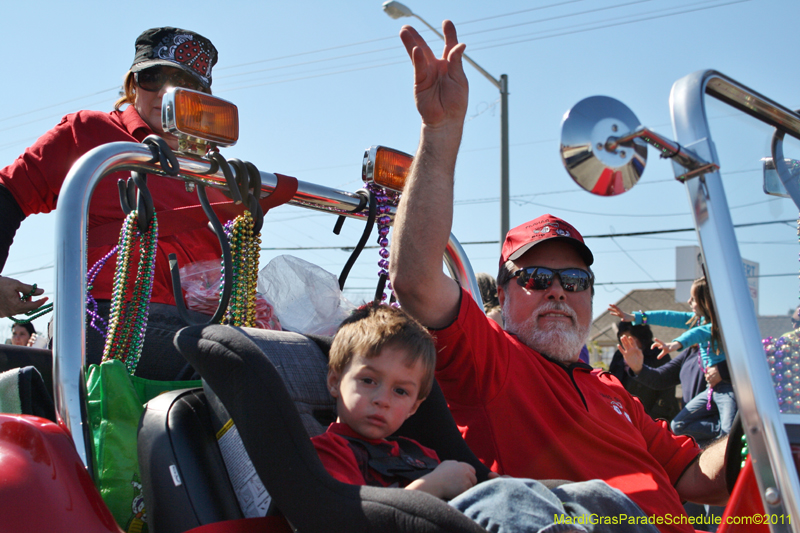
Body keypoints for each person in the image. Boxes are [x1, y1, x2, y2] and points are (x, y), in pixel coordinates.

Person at [388, 20, 728, 533]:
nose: (556, 292)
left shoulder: (613, 390)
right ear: (501, 294)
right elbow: (414, 279)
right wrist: (441, 130)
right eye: (536, 277)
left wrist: (752, 431)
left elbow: (694, 477)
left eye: (573, 282)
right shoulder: (493, 361)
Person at [0, 27, 264, 380]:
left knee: (319, 358)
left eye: (183, 83)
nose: (165, 92)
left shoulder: (216, 173)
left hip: (206, 324)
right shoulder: (90, 134)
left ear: (202, 98)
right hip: (112, 317)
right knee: (244, 368)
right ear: (132, 85)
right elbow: (8, 192)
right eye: (153, 78)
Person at [312, 303, 657, 533]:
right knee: (507, 500)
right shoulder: (329, 451)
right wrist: (432, 486)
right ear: (334, 381)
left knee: (599, 495)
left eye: (400, 391)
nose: (381, 400)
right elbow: (351, 520)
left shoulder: (416, 451)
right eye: (368, 380)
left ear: (416, 406)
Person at [609, 277, 737, 442]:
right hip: (709, 401)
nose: (688, 301)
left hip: (727, 390)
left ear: (706, 302)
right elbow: (667, 317)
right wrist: (635, 318)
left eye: (693, 299)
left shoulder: (722, 330)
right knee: (679, 424)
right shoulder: (692, 345)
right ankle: (721, 436)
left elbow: (697, 333)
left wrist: (676, 344)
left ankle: (725, 437)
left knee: (730, 432)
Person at [608, 322, 680, 422]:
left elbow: (667, 388)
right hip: (627, 413)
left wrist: (655, 416)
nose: (626, 342)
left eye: (629, 337)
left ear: (640, 336)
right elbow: (612, 380)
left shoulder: (657, 353)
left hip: (655, 414)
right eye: (622, 338)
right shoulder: (620, 355)